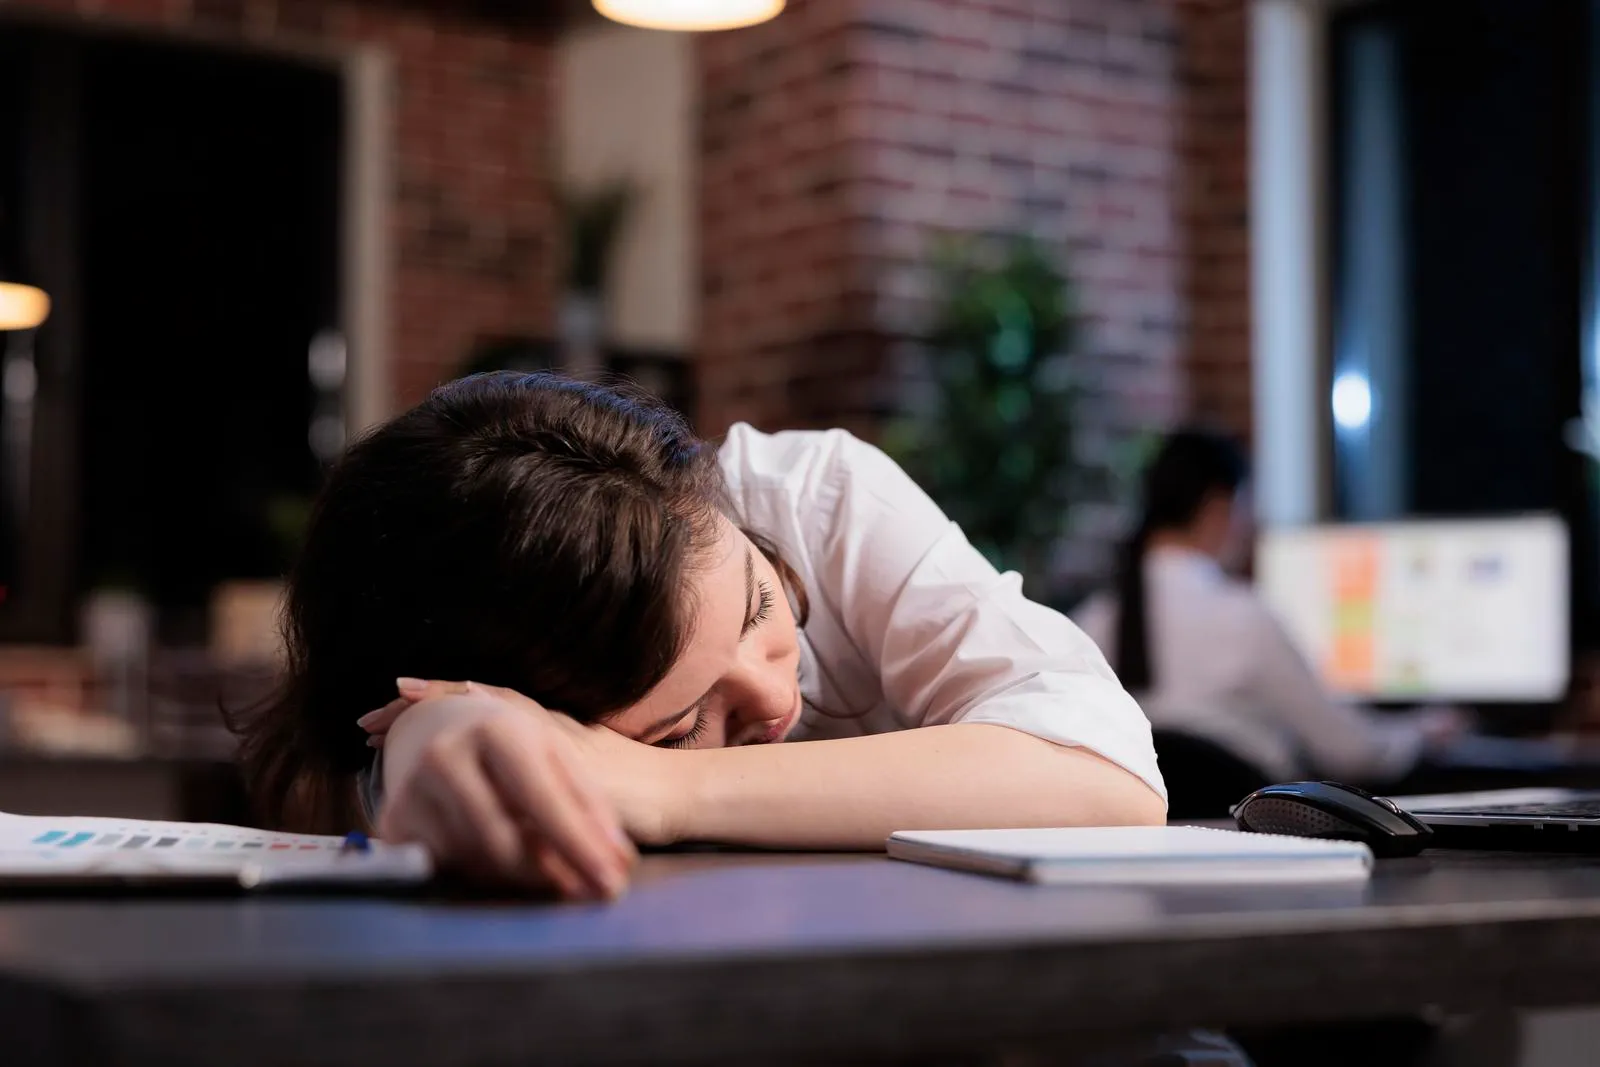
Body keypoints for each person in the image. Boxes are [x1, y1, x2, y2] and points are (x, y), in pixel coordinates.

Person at [232, 372, 1166, 899]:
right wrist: (437, 735)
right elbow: (412, 764)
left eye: (759, 610)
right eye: (682, 721)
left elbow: (1107, 774)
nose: (774, 695)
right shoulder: (463, 683)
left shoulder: (816, 501)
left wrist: (667, 778)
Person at [1073, 429, 1463, 790]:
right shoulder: (1243, 619)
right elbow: (1352, 754)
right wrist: (1422, 732)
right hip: (1262, 842)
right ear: (1217, 508)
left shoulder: (1088, 624)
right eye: (1247, 507)